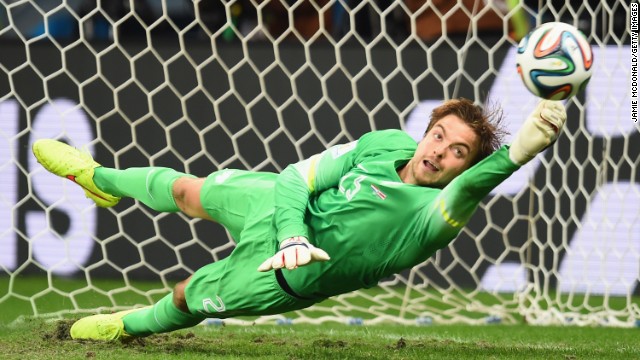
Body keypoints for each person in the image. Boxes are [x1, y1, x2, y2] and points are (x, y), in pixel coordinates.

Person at [32, 98, 566, 340]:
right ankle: (98, 179)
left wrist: (520, 149)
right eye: (439, 136)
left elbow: (475, 185)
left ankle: (125, 327)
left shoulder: (436, 216)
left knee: (183, 296)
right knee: (186, 190)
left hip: (282, 276)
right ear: (424, 132)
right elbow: (296, 177)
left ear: (463, 169)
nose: (440, 153)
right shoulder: (384, 145)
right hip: (279, 210)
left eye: (458, 153)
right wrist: (290, 231)